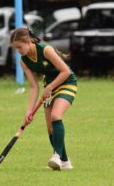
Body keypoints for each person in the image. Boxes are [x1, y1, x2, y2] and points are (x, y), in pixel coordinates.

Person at [10, 27, 77, 170]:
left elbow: (66, 71)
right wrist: (29, 111)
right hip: (49, 88)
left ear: (28, 41)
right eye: (15, 48)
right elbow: (34, 87)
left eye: (19, 47)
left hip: (66, 83)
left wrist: (50, 87)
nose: (18, 51)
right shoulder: (24, 61)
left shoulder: (46, 50)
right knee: (50, 127)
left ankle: (57, 156)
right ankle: (65, 162)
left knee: (56, 116)